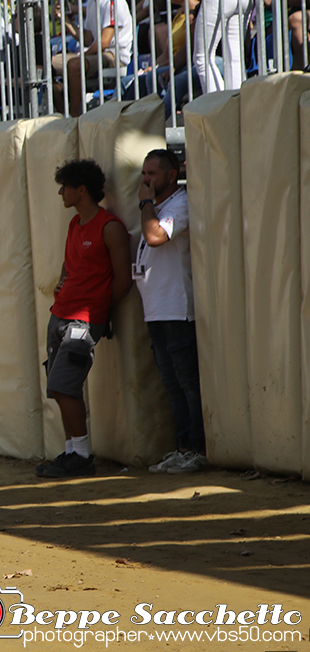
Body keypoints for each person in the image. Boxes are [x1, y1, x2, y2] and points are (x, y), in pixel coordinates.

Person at [35, 159, 131, 479]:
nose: (61, 193)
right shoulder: (75, 225)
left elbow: (122, 281)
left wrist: (100, 314)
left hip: (83, 321)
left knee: (64, 387)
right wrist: (63, 284)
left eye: (65, 187)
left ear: (82, 190)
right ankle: (74, 452)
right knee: (61, 388)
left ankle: (81, 456)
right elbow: (69, 265)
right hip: (61, 315)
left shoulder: (110, 227)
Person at [135, 150, 207, 475]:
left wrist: (144, 203)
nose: (146, 179)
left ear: (171, 173)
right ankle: (182, 448)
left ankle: (198, 449)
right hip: (156, 311)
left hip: (177, 309)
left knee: (187, 382)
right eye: (143, 173)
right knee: (171, 383)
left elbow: (155, 237)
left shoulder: (177, 205)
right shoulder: (156, 207)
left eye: (153, 172)